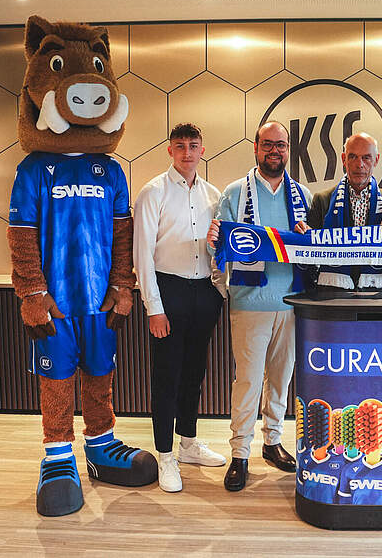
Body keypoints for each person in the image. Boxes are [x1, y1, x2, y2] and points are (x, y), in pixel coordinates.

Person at [207, 121, 313, 491]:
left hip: (291, 301)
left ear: (288, 149)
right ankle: (239, 452)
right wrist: (214, 240)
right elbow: (219, 245)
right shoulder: (235, 193)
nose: (274, 151)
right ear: (256, 147)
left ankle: (272, 441)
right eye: (267, 144)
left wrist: (309, 238)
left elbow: (316, 249)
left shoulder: (303, 196)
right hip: (250, 302)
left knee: (281, 378)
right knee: (249, 380)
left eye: (280, 145)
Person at [133, 123, 226, 493]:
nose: (187, 152)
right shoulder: (152, 192)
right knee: (166, 376)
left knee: (194, 373)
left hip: (204, 292)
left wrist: (219, 290)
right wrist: (153, 308)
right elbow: (142, 255)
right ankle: (166, 455)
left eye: (193, 145)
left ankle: (188, 443)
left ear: (202, 149)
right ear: (170, 150)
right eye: (180, 146)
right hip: (167, 290)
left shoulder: (213, 195)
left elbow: (219, 248)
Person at [300, 133, 382, 291]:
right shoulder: (322, 201)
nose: (359, 164)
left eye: (366, 158)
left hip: (379, 295)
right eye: (353, 157)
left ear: (376, 160)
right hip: (332, 295)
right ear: (344, 159)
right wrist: (302, 234)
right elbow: (309, 251)